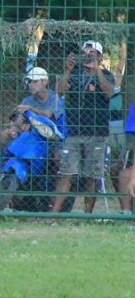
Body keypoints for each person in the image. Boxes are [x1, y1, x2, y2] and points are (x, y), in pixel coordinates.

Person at [51, 41, 115, 213]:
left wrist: (97, 69)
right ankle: (53, 214)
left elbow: (109, 93)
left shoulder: (106, 74)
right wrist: (67, 69)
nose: (88, 55)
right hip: (74, 131)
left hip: (97, 132)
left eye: (93, 53)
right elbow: (59, 91)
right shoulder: (74, 74)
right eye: (86, 53)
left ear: (100, 57)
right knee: (66, 173)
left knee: (92, 176)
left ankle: (87, 215)